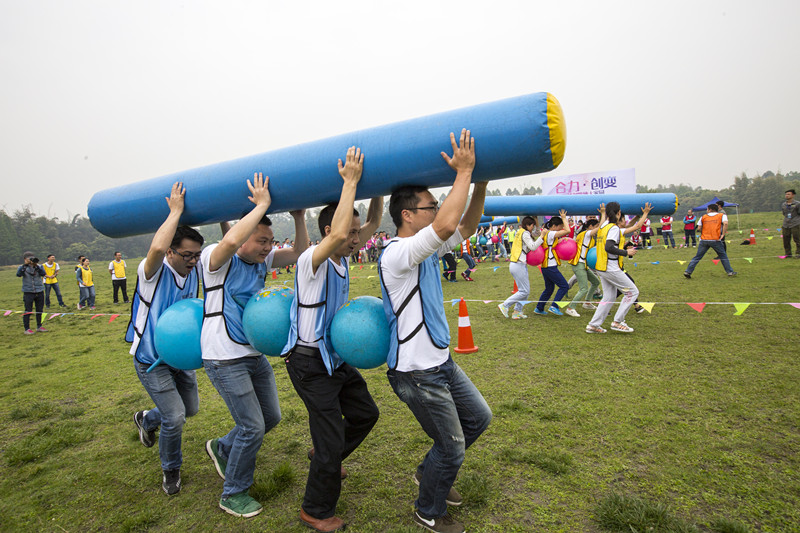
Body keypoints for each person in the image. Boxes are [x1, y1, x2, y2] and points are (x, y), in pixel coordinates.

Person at [379, 129, 492, 533]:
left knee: (479, 419)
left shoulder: (424, 249)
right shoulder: (397, 253)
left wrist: (478, 181)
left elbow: (467, 224)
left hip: (439, 361)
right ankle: (429, 510)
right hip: (416, 371)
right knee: (453, 446)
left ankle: (429, 472)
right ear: (408, 214)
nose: (437, 210)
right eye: (430, 206)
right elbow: (445, 228)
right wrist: (463, 170)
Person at [282, 146, 382, 532]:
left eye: (357, 234)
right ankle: (315, 510)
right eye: (350, 233)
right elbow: (343, 229)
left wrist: (381, 183)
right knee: (328, 438)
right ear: (329, 232)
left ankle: (326, 455)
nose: (357, 238)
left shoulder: (342, 257)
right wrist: (350, 181)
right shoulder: (311, 261)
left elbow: (373, 219)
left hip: (335, 358)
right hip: (309, 363)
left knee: (366, 414)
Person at [201, 172, 308, 519]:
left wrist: (298, 217)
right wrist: (261, 203)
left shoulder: (262, 260)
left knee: (271, 417)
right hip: (223, 356)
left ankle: (223, 446)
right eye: (260, 240)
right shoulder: (215, 262)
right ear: (242, 235)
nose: (267, 247)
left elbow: (300, 253)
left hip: (252, 353)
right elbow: (230, 244)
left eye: (269, 240)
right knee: (253, 426)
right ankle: (233, 493)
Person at [129, 182, 205, 496]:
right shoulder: (153, 272)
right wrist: (175, 211)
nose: (193, 260)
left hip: (180, 357)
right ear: (172, 251)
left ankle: (147, 419)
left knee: (190, 409)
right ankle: (170, 469)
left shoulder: (197, 271)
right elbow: (156, 249)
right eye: (187, 254)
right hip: (151, 360)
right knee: (175, 417)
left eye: (197, 255)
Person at [586, 202, 647, 333]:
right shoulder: (613, 228)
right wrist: (626, 252)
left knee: (609, 296)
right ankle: (618, 322)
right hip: (610, 266)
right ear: (618, 214)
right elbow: (609, 247)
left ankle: (593, 325)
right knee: (632, 292)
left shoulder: (603, 226)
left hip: (601, 266)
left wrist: (602, 212)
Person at [498, 216, 541, 319]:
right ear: (528, 225)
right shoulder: (525, 233)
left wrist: (537, 224)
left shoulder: (521, 231)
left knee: (524, 290)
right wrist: (542, 237)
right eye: (532, 226)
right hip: (518, 264)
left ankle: (517, 311)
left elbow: (536, 233)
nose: (533, 228)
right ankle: (505, 305)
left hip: (516, 264)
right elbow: (533, 247)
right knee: (524, 291)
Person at [564, 211, 604, 318]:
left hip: (584, 264)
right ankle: (570, 308)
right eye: (595, 227)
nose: (596, 230)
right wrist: (603, 214)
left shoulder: (590, 238)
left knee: (595, 282)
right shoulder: (586, 234)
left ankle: (587, 302)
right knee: (583, 288)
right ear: (590, 226)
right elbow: (601, 227)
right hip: (578, 264)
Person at [683, 203, 737, 278]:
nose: (706, 211)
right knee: (723, 255)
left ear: (710, 209)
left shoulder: (703, 217)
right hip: (715, 240)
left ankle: (688, 271)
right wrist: (723, 234)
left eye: (707, 209)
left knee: (697, 257)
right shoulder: (722, 215)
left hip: (704, 240)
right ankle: (730, 272)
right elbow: (725, 223)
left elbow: (699, 228)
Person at [533, 210, 571, 317]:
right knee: (564, 286)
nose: (561, 229)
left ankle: (539, 308)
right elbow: (567, 230)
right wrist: (563, 217)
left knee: (549, 289)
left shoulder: (545, 232)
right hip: (550, 266)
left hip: (545, 266)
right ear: (554, 226)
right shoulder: (550, 233)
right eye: (560, 227)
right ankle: (554, 306)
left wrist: (536, 219)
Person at [17, 252, 47, 334]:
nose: (31, 260)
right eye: (29, 259)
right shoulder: (22, 267)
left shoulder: (39, 266)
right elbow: (18, 274)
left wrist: (36, 266)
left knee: (39, 310)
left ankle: (39, 326)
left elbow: (43, 274)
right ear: (25, 259)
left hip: (39, 290)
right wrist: (25, 265)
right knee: (28, 310)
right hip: (28, 291)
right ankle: (27, 328)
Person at [781, 189, 800, 258]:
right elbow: (784, 213)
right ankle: (788, 254)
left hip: (795, 223)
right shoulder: (783, 204)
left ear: (793, 195)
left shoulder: (797, 204)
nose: (787, 195)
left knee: (797, 239)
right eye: (786, 194)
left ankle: (798, 254)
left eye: (788, 194)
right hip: (786, 224)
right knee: (786, 240)